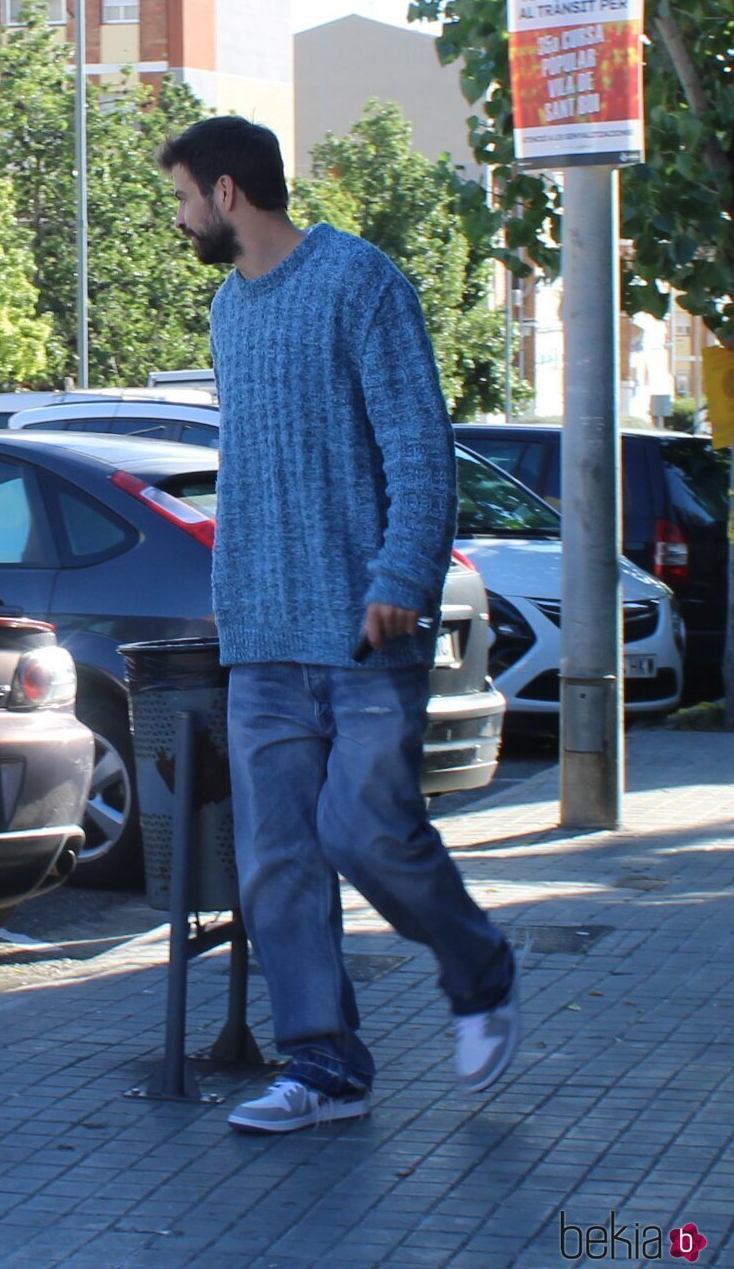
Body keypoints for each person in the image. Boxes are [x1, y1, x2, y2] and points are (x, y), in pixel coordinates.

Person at [157, 116, 519, 1135]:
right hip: (264, 635)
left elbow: (419, 449)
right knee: (276, 859)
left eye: (184, 198)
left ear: (228, 192)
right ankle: (324, 1067)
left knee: (365, 834)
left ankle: (479, 967)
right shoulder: (230, 311)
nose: (180, 219)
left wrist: (402, 573)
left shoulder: (361, 282)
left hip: (365, 629)